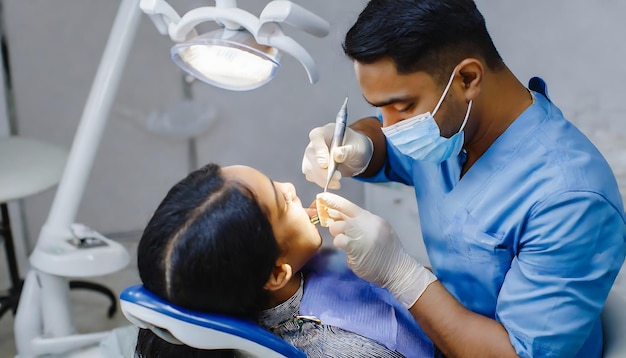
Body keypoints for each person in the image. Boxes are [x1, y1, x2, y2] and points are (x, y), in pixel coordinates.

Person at [302, 1, 626, 357]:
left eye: (404, 106)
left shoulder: (570, 199)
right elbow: (387, 146)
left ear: (467, 78)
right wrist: (358, 145)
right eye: (378, 107)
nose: (390, 126)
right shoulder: (450, 132)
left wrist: (402, 276)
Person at [134, 162, 433, 357]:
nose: (290, 187)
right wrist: (403, 275)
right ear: (277, 273)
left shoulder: (300, 270)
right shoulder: (338, 347)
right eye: (283, 203)